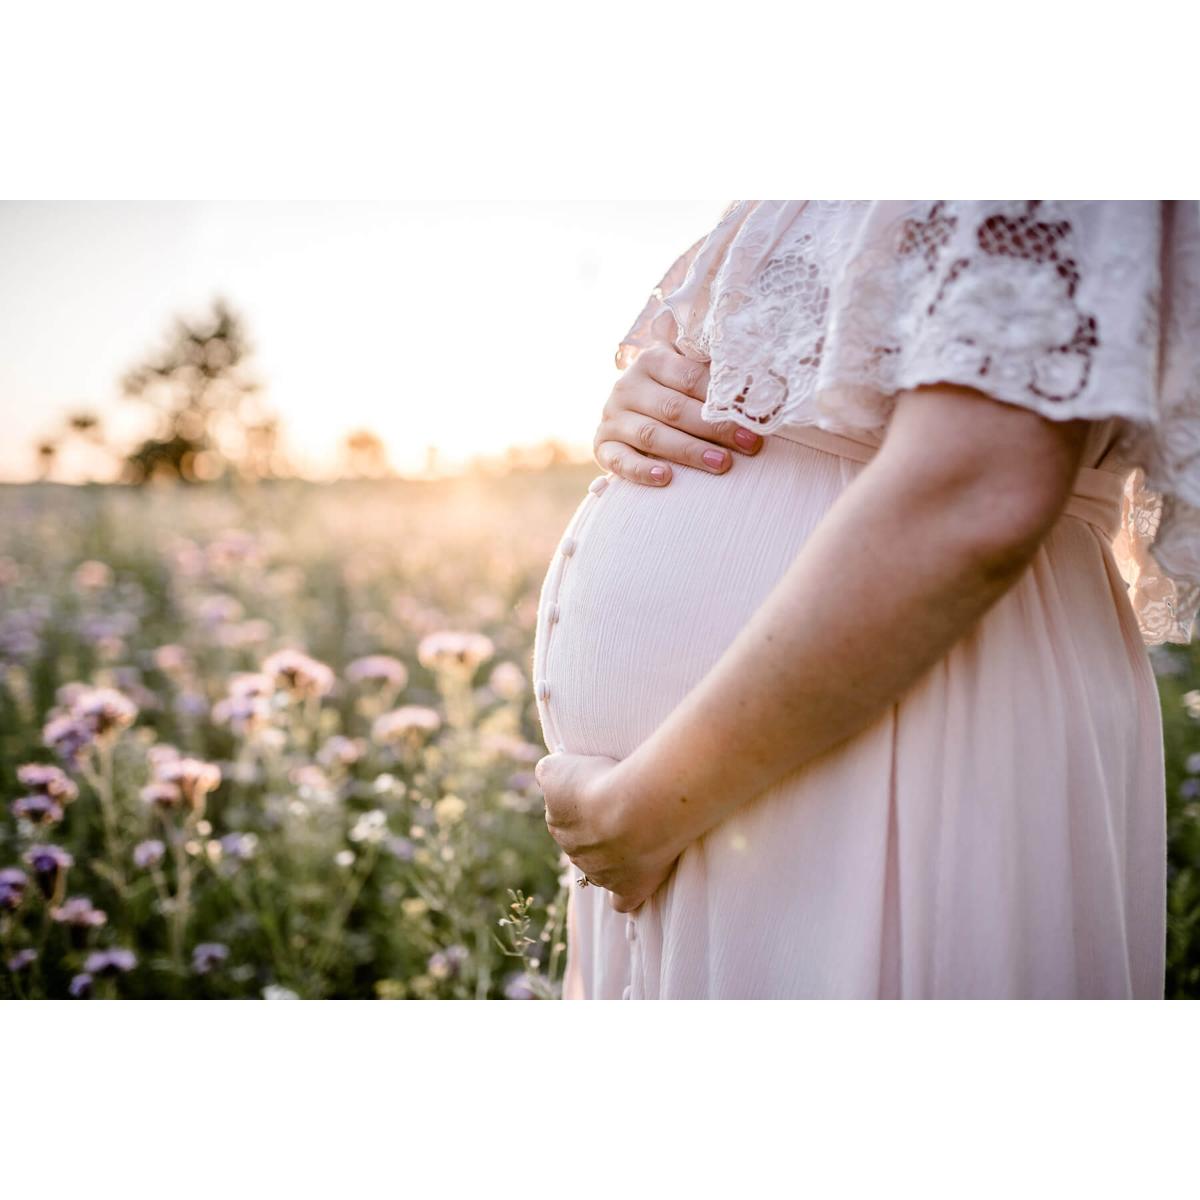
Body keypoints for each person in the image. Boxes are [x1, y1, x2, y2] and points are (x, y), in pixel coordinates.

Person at [532, 201, 1200, 999]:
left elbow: (981, 479)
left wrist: (641, 813)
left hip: (908, 728)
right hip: (727, 784)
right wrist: (670, 395)